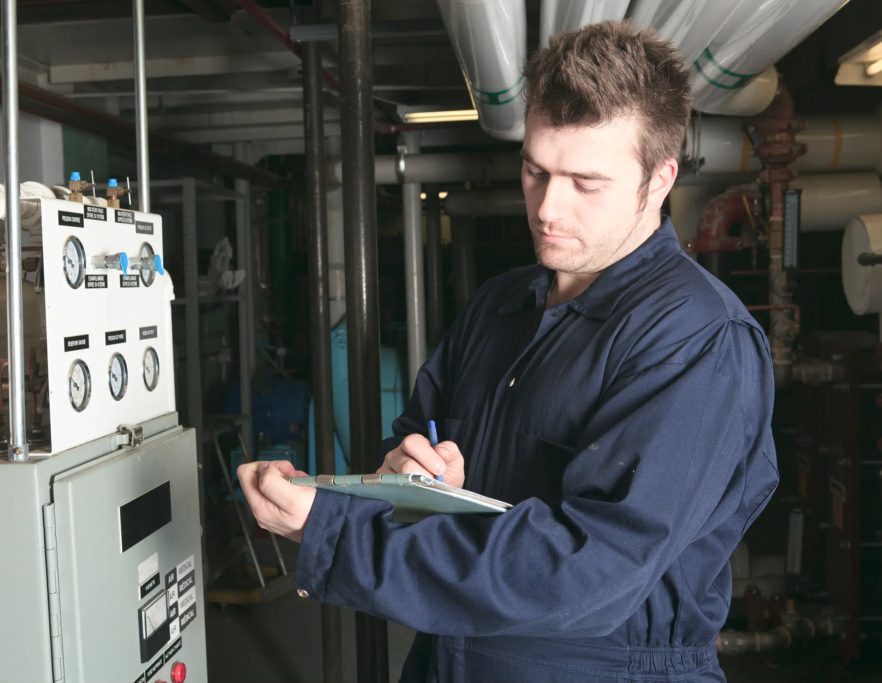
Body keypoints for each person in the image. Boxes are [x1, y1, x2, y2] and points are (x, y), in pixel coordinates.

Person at [238, 20, 778, 682]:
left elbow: (586, 571)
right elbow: (411, 439)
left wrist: (337, 532)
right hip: (451, 657)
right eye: (534, 170)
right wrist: (409, 470)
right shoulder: (500, 305)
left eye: (586, 183)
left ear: (659, 180)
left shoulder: (696, 339)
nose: (548, 207)